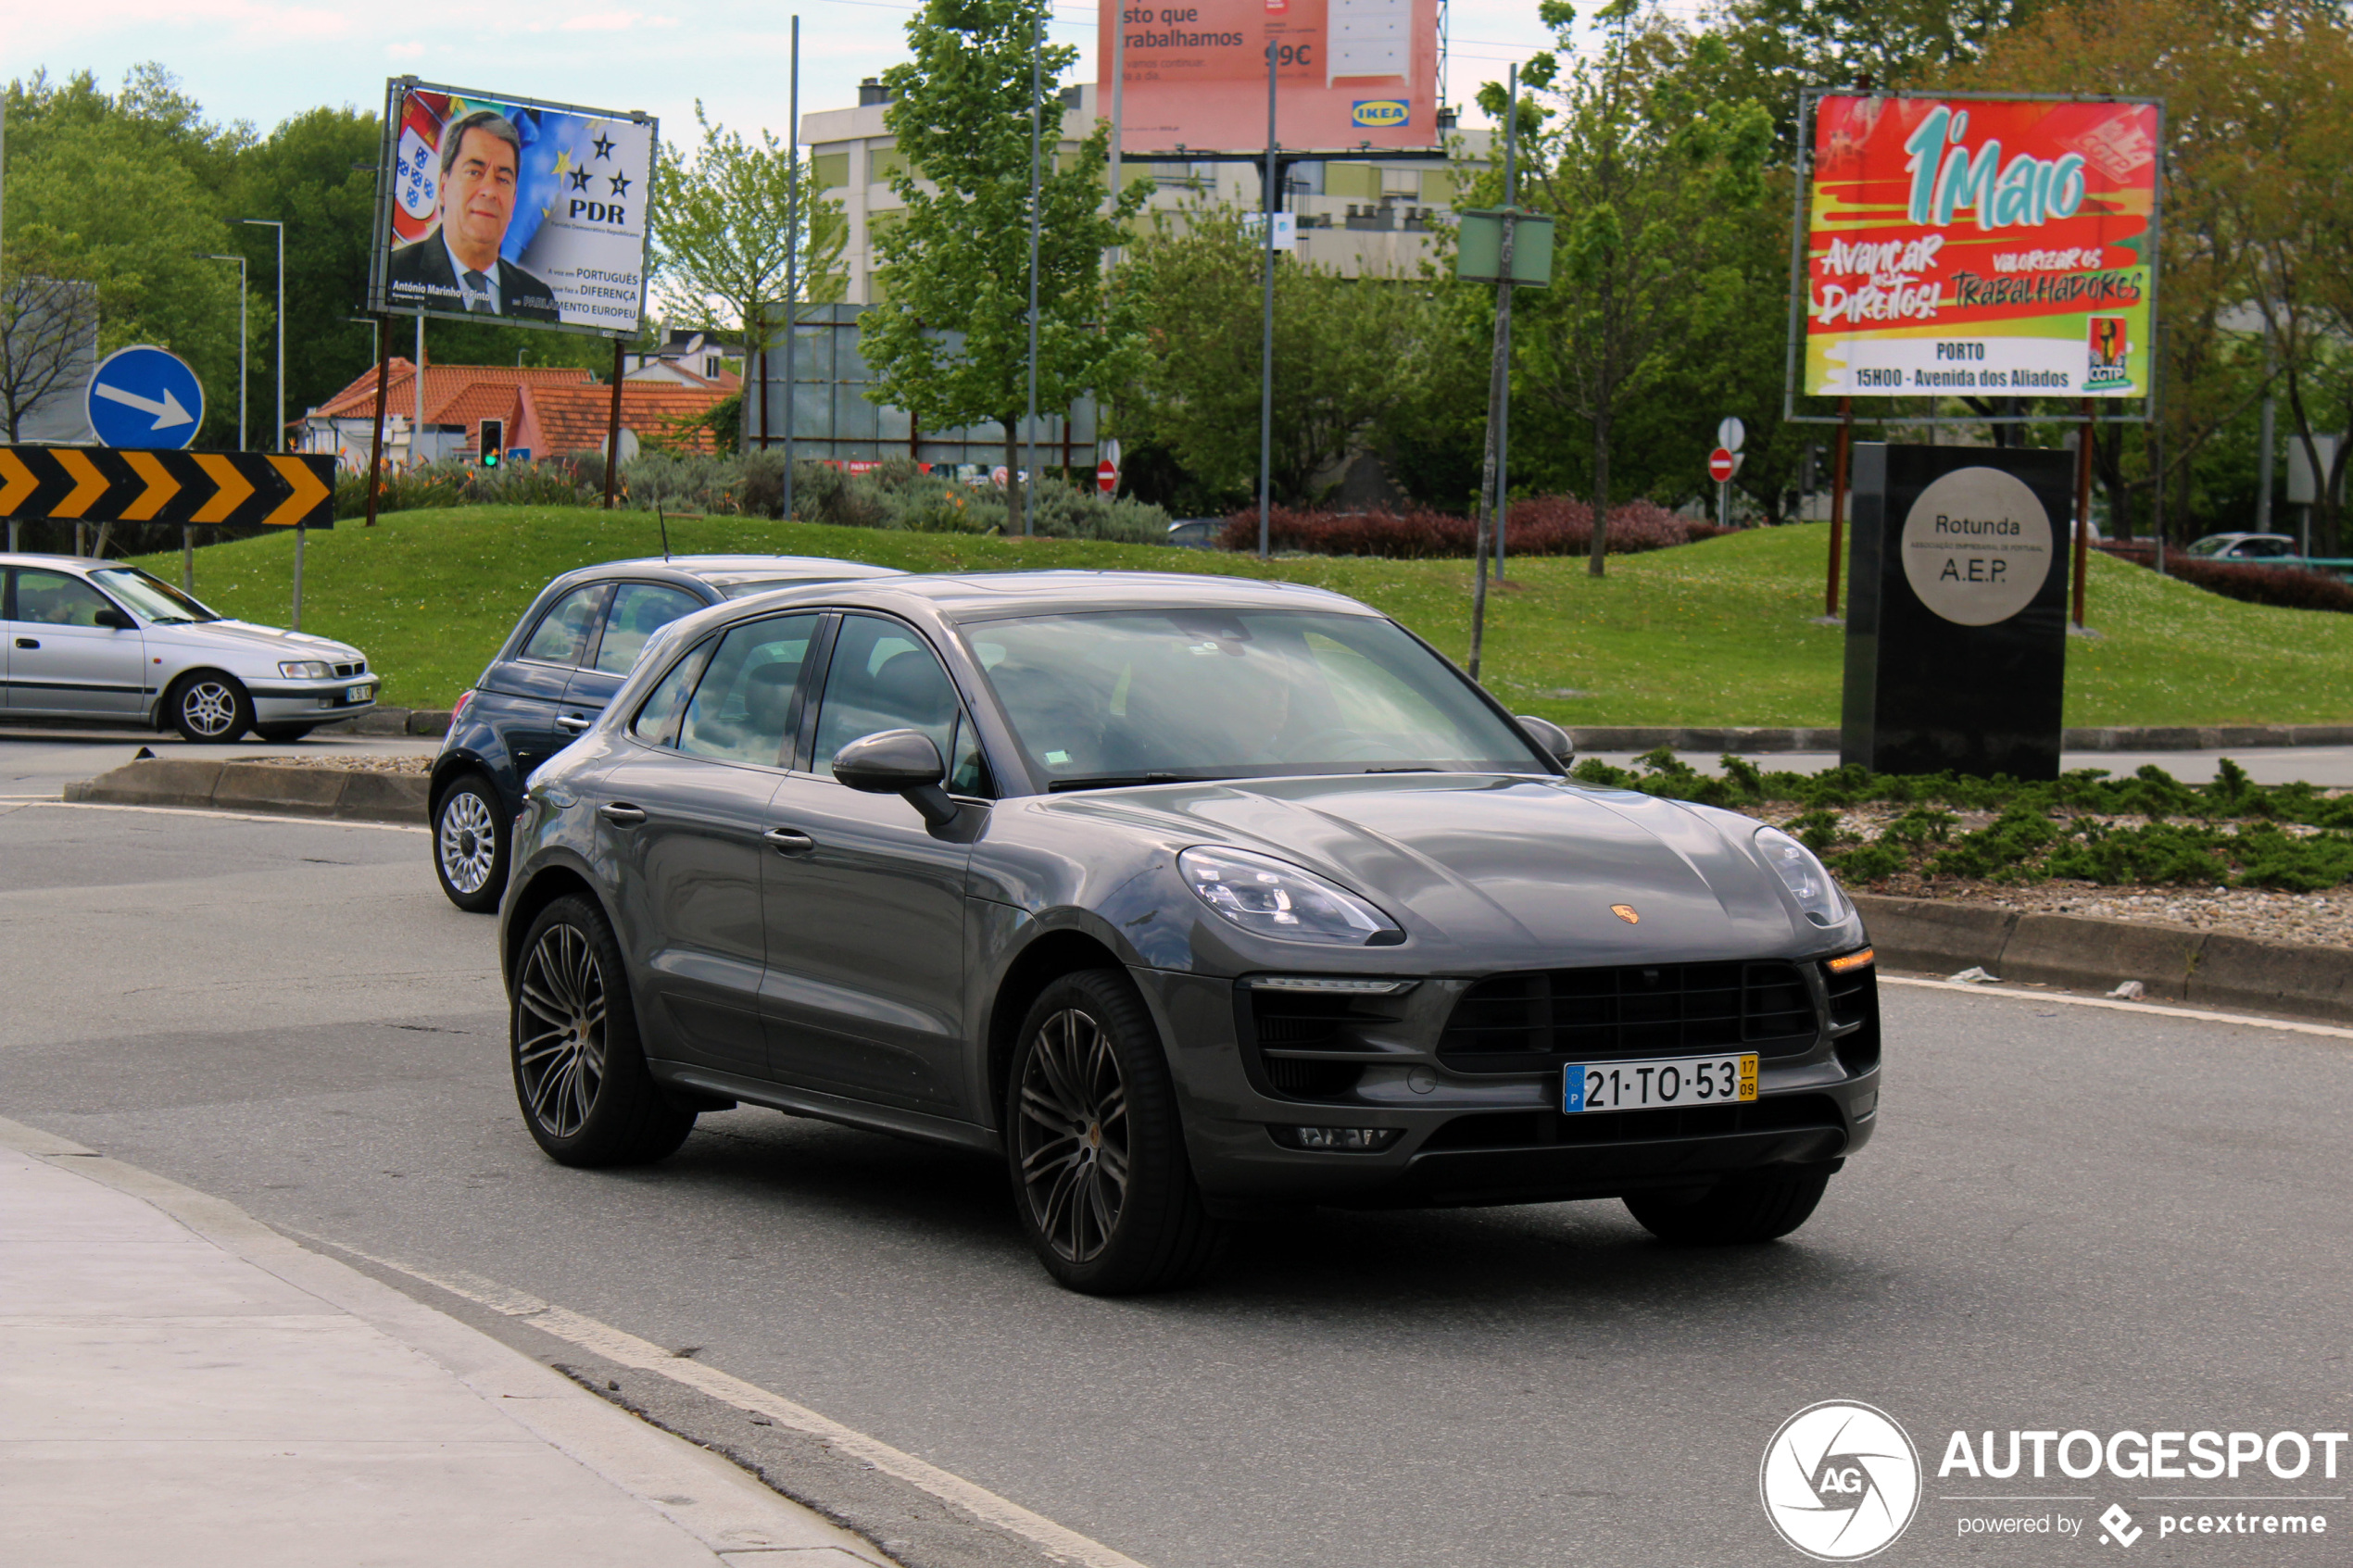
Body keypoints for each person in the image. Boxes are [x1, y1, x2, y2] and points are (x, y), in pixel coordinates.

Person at [384, 109, 561, 322]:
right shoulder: (394, 274)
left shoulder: (538, 298)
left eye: (503, 179)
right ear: (443, 187)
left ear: (514, 201)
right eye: (474, 172)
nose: (489, 191)